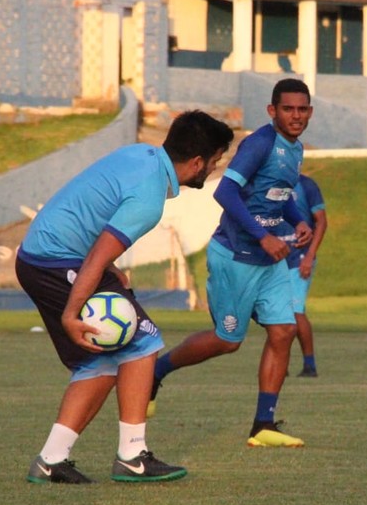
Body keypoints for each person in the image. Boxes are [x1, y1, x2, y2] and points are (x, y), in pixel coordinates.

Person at [16, 110, 234, 484]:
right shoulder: (150, 198)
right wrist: (72, 312)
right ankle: (133, 455)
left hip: (42, 256)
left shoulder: (140, 155)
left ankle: (52, 460)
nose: (213, 169)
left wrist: (109, 267)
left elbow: (93, 209)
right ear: (197, 162)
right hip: (56, 262)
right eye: (214, 162)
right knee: (143, 341)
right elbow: (99, 251)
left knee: (100, 359)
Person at [150, 78, 314, 448]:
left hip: (268, 260)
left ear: (310, 112)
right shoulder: (259, 144)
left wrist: (298, 219)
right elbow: (225, 191)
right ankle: (157, 370)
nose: (296, 115)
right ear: (272, 111)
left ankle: (263, 425)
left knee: (283, 331)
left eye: (302, 109)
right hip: (237, 257)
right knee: (228, 341)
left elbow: (278, 194)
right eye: (288, 108)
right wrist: (263, 236)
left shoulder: (295, 147)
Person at [287, 173, 328, 378]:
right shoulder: (268, 183)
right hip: (276, 258)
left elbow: (321, 221)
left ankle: (309, 364)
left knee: (296, 311)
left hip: (299, 257)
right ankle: (279, 362)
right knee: (275, 314)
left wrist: (309, 256)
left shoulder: (306, 185)